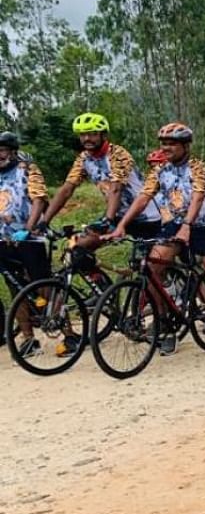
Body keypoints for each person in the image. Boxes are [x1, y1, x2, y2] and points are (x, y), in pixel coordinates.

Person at [108, 122, 205, 356]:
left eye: (171, 144)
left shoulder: (198, 167)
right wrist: (121, 226)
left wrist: (187, 226)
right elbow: (143, 198)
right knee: (153, 267)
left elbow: (197, 197)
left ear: (185, 146)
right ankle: (165, 324)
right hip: (172, 224)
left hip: (203, 225)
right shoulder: (159, 170)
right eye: (163, 143)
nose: (165, 148)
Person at [41, 112, 162, 242]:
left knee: (151, 260)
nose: (87, 138)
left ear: (103, 135)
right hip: (117, 215)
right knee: (81, 246)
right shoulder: (84, 159)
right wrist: (44, 221)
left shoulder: (118, 154)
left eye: (93, 134)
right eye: (82, 134)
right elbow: (66, 189)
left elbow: (116, 189)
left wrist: (107, 220)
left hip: (144, 215)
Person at [0, 131, 51, 356]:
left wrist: (28, 230)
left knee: (44, 285)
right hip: (4, 238)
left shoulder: (28, 169)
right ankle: (29, 339)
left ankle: (68, 334)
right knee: (15, 288)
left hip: (29, 237)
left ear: (12, 150)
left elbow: (39, 199)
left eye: (1, 150)